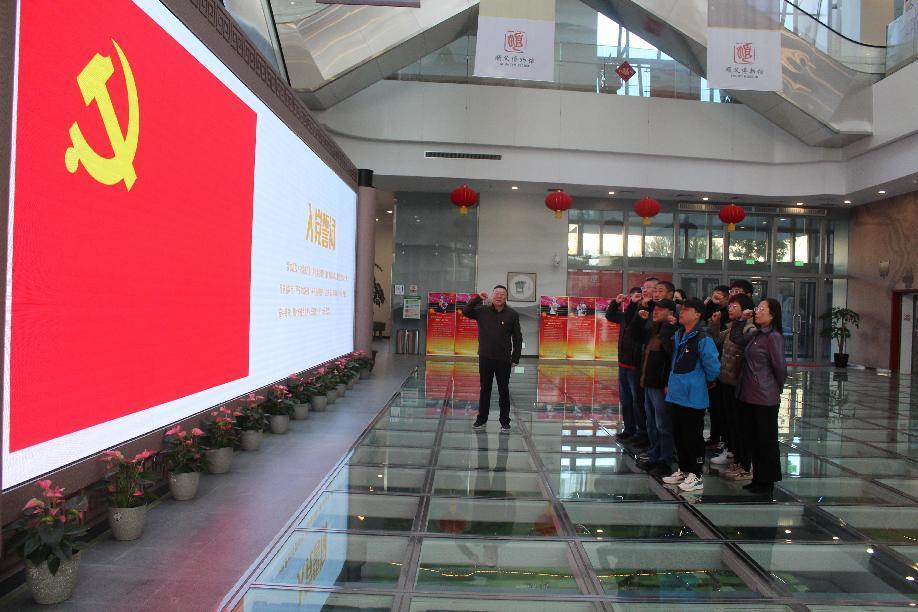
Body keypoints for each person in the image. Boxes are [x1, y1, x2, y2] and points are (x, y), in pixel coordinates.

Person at [661, 298, 721, 492]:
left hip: (693, 395)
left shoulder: (703, 338)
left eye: (687, 310)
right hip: (676, 393)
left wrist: (701, 382)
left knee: (692, 436)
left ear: (697, 314)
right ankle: (684, 469)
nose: (682, 312)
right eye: (682, 309)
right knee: (679, 434)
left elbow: (713, 367)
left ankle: (696, 474)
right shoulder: (680, 334)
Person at [732, 298, 787, 494]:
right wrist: (740, 320)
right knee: (754, 439)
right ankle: (758, 478)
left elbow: (780, 368)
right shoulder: (756, 334)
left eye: (762, 309)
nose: (757, 311)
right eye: (757, 308)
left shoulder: (773, 337)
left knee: (766, 440)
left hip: (765, 396)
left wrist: (776, 387)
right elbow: (736, 339)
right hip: (748, 394)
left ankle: (767, 480)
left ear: (772, 315)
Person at [707, 293, 755, 481]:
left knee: (737, 423)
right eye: (730, 306)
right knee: (728, 421)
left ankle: (738, 457)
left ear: (746, 309)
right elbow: (716, 341)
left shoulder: (748, 328)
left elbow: (741, 343)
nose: (730, 309)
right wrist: (715, 324)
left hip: (737, 383)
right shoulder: (731, 327)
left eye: (735, 306)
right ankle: (731, 452)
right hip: (725, 380)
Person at [463, 285, 523, 433]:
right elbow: (466, 311)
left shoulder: (512, 314)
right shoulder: (482, 311)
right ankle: (481, 419)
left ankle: (505, 421)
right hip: (485, 358)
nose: (499, 296)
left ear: (506, 297)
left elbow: (517, 338)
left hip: (504, 359)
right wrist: (478, 298)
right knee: (485, 389)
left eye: (502, 294)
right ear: (492, 295)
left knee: (503, 391)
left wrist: (515, 357)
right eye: (496, 293)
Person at [636, 298, 677, 476]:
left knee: (663, 425)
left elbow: (671, 355)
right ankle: (654, 455)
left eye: (661, 309)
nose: (656, 311)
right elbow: (635, 336)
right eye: (655, 309)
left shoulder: (672, 331)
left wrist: (668, 327)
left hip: (661, 386)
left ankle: (665, 459)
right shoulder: (655, 329)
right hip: (649, 383)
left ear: (671, 313)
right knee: (651, 423)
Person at [606, 287, 649, 446]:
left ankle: (641, 432)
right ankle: (629, 429)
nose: (636, 298)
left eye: (640, 295)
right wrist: (616, 303)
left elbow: (636, 328)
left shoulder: (645, 315)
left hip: (635, 364)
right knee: (626, 400)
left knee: (637, 400)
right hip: (623, 363)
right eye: (633, 297)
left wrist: (639, 306)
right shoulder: (627, 314)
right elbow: (610, 315)